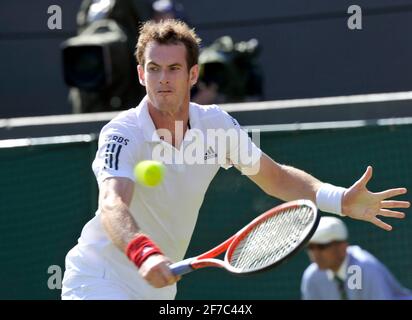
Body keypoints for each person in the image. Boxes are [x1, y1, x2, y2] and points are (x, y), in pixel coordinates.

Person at [61, 19, 410, 300]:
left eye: (173, 69)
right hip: (98, 279)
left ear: (192, 75)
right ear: (141, 74)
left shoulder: (216, 125)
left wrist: (339, 199)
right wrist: (143, 252)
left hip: (158, 287)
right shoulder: (122, 132)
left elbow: (275, 178)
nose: (163, 80)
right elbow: (112, 203)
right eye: (153, 69)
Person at [301, 217, 412, 300]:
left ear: (342, 247)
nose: (315, 253)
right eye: (310, 247)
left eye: (322, 247)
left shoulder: (366, 268)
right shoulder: (311, 277)